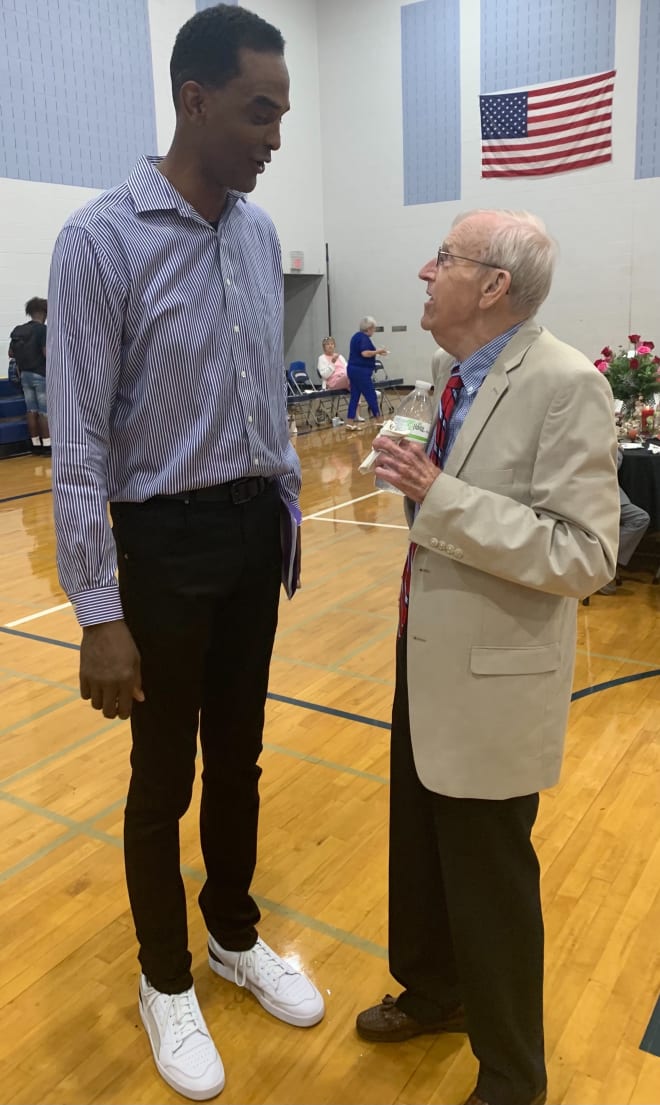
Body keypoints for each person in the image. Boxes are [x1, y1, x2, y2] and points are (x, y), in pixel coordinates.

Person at [47, 6, 324, 1101]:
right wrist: (99, 611)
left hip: (254, 533)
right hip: (161, 546)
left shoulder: (256, 235)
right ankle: (166, 981)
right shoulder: (100, 242)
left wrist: (286, 504)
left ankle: (232, 934)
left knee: (241, 759)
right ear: (195, 100)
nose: (276, 135)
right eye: (262, 110)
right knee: (160, 778)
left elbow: (262, 396)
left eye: (284, 112)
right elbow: (78, 445)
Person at [356, 210, 620, 1105]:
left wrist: (440, 494)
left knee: (491, 880)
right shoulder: (448, 375)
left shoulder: (566, 383)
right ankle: (435, 992)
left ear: (494, 285)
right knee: (421, 850)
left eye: (446, 261)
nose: (425, 273)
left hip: (494, 680)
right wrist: (415, 478)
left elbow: (586, 554)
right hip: (422, 651)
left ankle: (513, 1075)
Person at [597, 447, 650, 593]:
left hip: (599, 489)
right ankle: (603, 565)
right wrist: (618, 448)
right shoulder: (595, 436)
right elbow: (612, 464)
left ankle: (605, 562)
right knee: (639, 519)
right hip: (599, 491)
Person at [9, 297, 50, 455]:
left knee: (31, 410)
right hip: (40, 374)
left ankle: (35, 444)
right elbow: (46, 353)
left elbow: (11, 353)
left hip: (24, 375)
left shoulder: (19, 330)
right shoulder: (43, 330)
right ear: (44, 313)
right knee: (44, 412)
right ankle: (47, 445)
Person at [345, 316, 387, 429]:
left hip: (352, 370)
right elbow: (365, 353)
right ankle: (379, 420)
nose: (374, 331)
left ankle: (349, 422)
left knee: (355, 396)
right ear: (369, 328)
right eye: (373, 329)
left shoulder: (355, 337)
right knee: (371, 395)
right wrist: (378, 351)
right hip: (361, 372)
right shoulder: (364, 338)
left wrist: (376, 352)